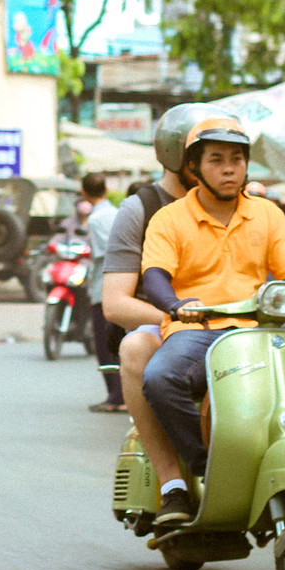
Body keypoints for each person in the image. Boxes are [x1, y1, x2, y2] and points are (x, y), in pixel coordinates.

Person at [138, 114, 285, 523]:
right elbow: (154, 276)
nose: (228, 168)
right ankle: (205, 464)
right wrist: (173, 304)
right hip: (197, 329)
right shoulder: (168, 219)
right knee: (159, 378)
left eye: (237, 160)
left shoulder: (268, 215)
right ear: (194, 168)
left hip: (261, 329)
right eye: (216, 159)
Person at [101, 103, 224, 524]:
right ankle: (173, 481)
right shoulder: (140, 209)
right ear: (181, 157)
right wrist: (177, 316)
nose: (222, 165)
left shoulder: (240, 204)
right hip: (166, 330)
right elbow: (115, 302)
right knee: (136, 349)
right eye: (210, 154)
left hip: (235, 327)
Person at [83, 172, 123, 413]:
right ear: (106, 190)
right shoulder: (118, 213)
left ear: (84, 193)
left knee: (104, 343)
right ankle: (120, 393)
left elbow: (102, 255)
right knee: (116, 342)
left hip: (103, 286)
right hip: (123, 285)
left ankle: (116, 395)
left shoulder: (96, 219)